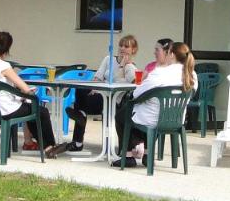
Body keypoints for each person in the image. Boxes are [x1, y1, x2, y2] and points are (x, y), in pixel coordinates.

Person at [0, 31, 67, 158]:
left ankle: (43, 146)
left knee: (32, 109)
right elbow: (25, 89)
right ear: (5, 51)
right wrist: (28, 93)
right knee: (41, 111)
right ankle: (49, 146)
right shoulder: (4, 66)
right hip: (6, 110)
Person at [112, 39, 195, 168]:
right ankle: (147, 154)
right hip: (177, 120)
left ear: (171, 55)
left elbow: (136, 93)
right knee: (145, 113)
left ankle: (128, 156)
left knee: (122, 115)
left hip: (153, 119)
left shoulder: (159, 72)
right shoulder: (191, 74)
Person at [65, 35, 138, 152]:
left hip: (113, 101)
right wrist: (94, 87)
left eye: (126, 46)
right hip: (99, 95)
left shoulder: (131, 68)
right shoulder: (108, 59)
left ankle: (78, 140)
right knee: (81, 89)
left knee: (81, 107)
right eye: (121, 45)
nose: (122, 48)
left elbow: (122, 83)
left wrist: (123, 65)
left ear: (133, 50)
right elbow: (97, 77)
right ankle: (81, 115)